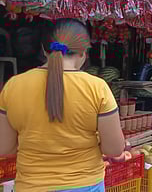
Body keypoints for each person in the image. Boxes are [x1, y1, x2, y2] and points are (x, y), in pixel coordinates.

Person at [0, 19, 125, 191]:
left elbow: (4, 147)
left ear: (44, 50)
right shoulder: (97, 88)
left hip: (31, 186)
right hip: (85, 185)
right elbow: (113, 149)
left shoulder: (14, 86)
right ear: (84, 52)